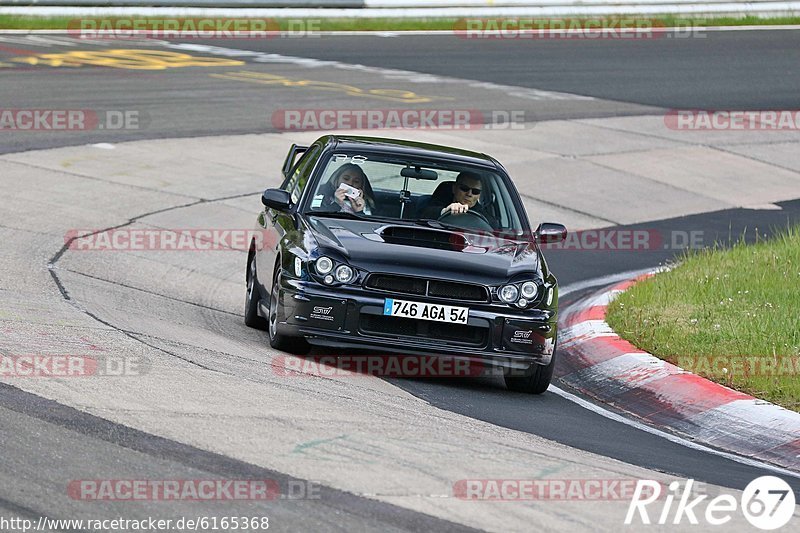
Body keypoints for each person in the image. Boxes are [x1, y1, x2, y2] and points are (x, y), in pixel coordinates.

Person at [421, 171, 497, 227]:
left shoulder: (485, 217)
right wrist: (445, 211)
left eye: (475, 191)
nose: (469, 194)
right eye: (464, 188)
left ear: (479, 195)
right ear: (454, 188)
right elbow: (423, 215)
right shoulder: (437, 203)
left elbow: (495, 232)